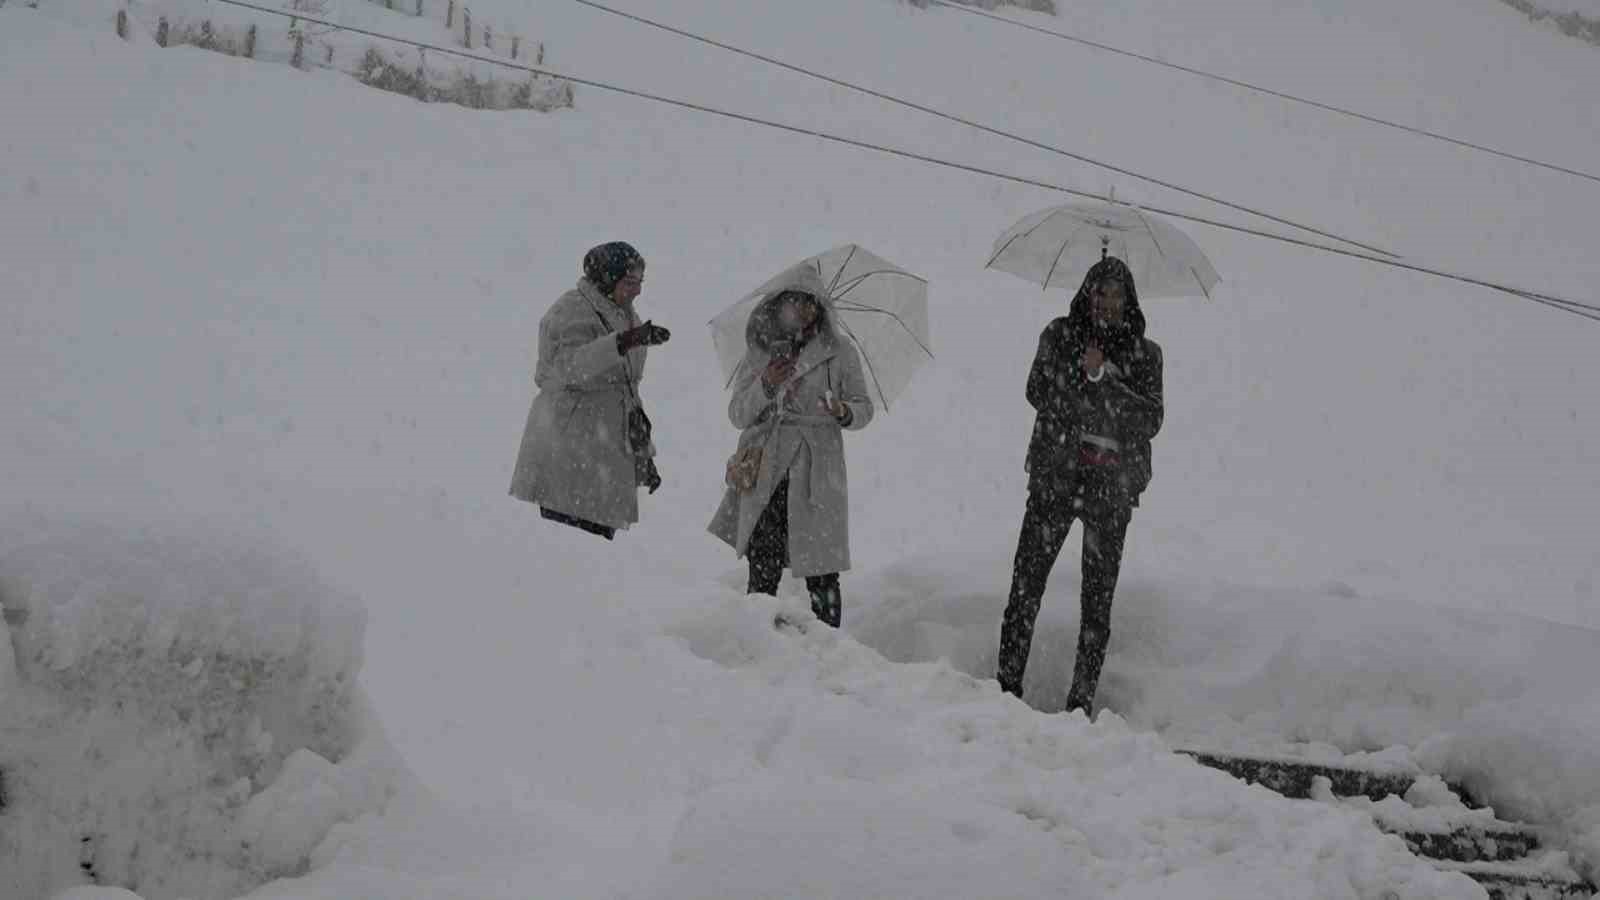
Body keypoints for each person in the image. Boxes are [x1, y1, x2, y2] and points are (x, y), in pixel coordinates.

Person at [997, 255, 1164, 713]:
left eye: (1117, 294)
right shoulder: (1059, 334)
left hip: (1111, 487)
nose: (1107, 302)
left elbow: (1150, 419)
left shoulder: (1146, 354)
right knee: (1026, 586)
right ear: (1086, 293)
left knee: (1097, 603)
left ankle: (1079, 703)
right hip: (1056, 476)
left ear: (1129, 301)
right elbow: (1037, 390)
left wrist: (1105, 379)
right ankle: (1005, 689)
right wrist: (1079, 372)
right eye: (1100, 291)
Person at [707, 267, 873, 627]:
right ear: (778, 305)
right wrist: (766, 384)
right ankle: (757, 637)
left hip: (817, 468)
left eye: (808, 303)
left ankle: (830, 645)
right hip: (768, 465)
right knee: (763, 560)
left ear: (820, 307)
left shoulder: (840, 350)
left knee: (822, 567)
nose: (801, 311)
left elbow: (864, 407)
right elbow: (738, 413)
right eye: (793, 302)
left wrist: (842, 410)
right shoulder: (761, 348)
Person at [508, 241, 671, 539]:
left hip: (603, 458)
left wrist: (643, 453)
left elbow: (627, 392)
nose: (637, 291)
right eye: (630, 282)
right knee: (569, 556)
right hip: (569, 454)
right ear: (607, 278)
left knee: (596, 559)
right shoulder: (571, 310)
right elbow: (564, 369)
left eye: (640, 282)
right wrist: (623, 342)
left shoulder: (625, 314)